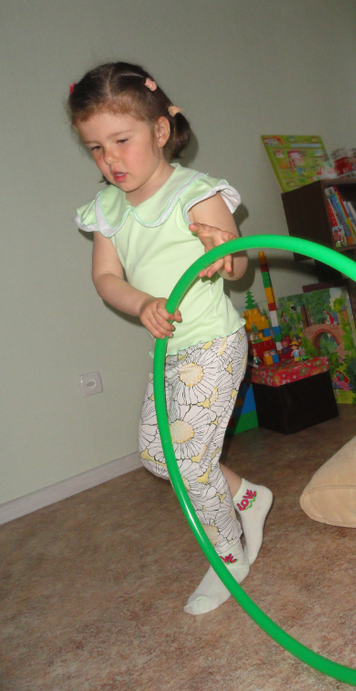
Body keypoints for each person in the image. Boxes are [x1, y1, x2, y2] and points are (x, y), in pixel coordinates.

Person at [69, 61, 273, 615]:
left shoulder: (196, 192)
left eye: (121, 140)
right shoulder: (107, 208)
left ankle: (228, 556)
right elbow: (105, 277)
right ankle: (247, 497)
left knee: (189, 461)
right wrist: (142, 304)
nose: (110, 159)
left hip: (213, 343)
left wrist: (222, 251)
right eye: (95, 148)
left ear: (160, 130)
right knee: (160, 456)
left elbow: (237, 266)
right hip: (170, 349)